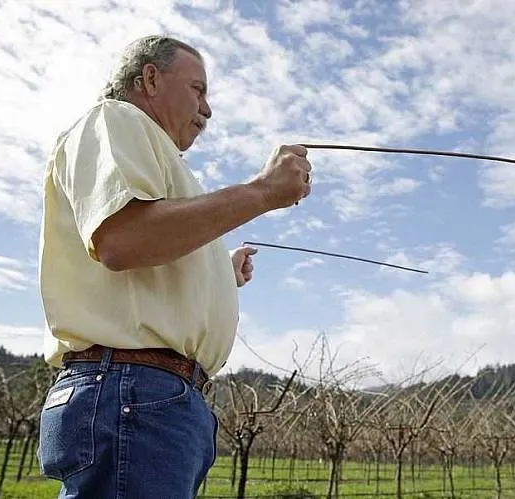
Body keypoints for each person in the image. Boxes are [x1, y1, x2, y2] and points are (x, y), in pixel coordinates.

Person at [35, 35, 311, 498]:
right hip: (133, 395)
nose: (206, 109)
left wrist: (220, 271)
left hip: (148, 399)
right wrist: (262, 192)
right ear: (149, 78)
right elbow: (124, 238)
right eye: (198, 89)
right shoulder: (115, 120)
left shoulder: (157, 158)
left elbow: (147, 254)